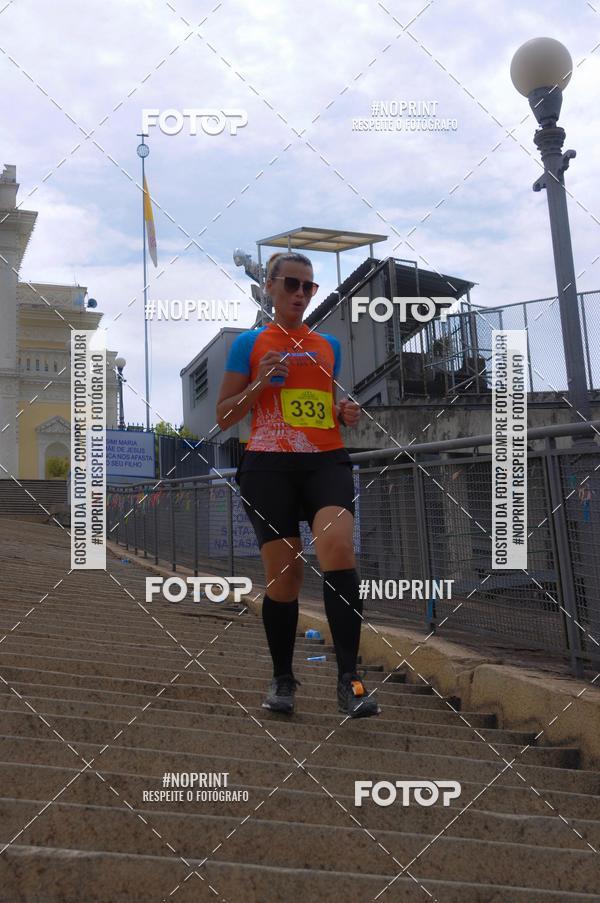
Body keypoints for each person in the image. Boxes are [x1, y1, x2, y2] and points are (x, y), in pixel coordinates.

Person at [216, 251, 380, 718]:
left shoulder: (328, 345)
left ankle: (350, 680)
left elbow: (319, 404)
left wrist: (342, 413)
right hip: (268, 466)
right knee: (285, 576)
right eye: (291, 283)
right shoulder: (249, 343)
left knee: (338, 548)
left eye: (309, 286)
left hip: (325, 460)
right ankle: (283, 677)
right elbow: (224, 416)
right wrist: (259, 383)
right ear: (269, 287)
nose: (301, 294)